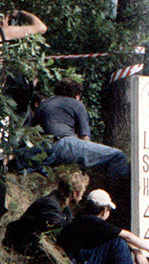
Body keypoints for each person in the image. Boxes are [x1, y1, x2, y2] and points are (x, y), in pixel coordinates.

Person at [34, 78, 131, 221]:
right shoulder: (76, 104)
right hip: (64, 143)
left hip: (42, 149)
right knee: (118, 156)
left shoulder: (44, 103)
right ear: (77, 95)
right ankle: (118, 205)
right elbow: (85, 139)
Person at [56, 190, 149, 264]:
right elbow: (127, 236)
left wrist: (137, 250)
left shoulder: (82, 219)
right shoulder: (95, 222)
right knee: (118, 244)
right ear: (104, 210)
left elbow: (115, 236)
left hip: (77, 261)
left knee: (116, 241)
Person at [3, 170, 91, 256]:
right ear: (74, 193)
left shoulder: (59, 204)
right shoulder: (51, 205)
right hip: (19, 246)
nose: (82, 196)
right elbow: (60, 230)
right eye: (82, 192)